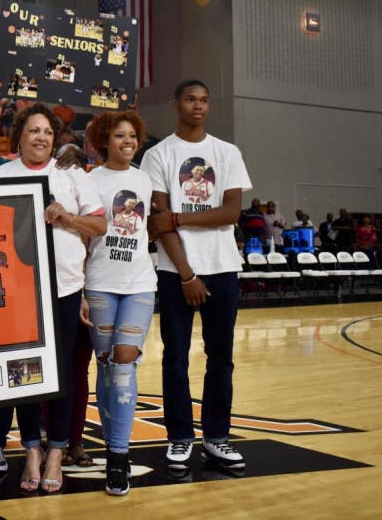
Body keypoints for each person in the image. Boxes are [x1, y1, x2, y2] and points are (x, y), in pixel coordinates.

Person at [0, 103, 106, 493]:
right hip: (17, 290)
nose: (40, 137)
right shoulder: (1, 175)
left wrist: (67, 218)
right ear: (19, 135)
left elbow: (101, 224)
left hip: (65, 288)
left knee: (61, 374)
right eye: (33, 130)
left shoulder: (72, 177)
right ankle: (32, 450)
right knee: (25, 373)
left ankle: (57, 450)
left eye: (48, 132)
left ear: (55, 140)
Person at [141, 79, 252, 471]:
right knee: (175, 359)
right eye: (190, 99)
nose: (198, 106)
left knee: (221, 358)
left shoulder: (227, 152)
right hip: (176, 273)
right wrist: (187, 275)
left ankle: (217, 437)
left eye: (204, 100)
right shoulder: (158, 155)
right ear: (176, 104)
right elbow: (159, 222)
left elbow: (231, 213)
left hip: (223, 269)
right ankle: (180, 438)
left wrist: (178, 217)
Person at [80, 110, 156, 496]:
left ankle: (118, 457)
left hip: (140, 283)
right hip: (99, 283)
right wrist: (79, 289)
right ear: (103, 140)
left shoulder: (145, 178)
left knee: (124, 362)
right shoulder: (90, 180)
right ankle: (111, 443)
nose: (127, 142)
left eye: (133, 136)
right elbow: (81, 239)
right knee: (107, 366)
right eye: (119, 136)